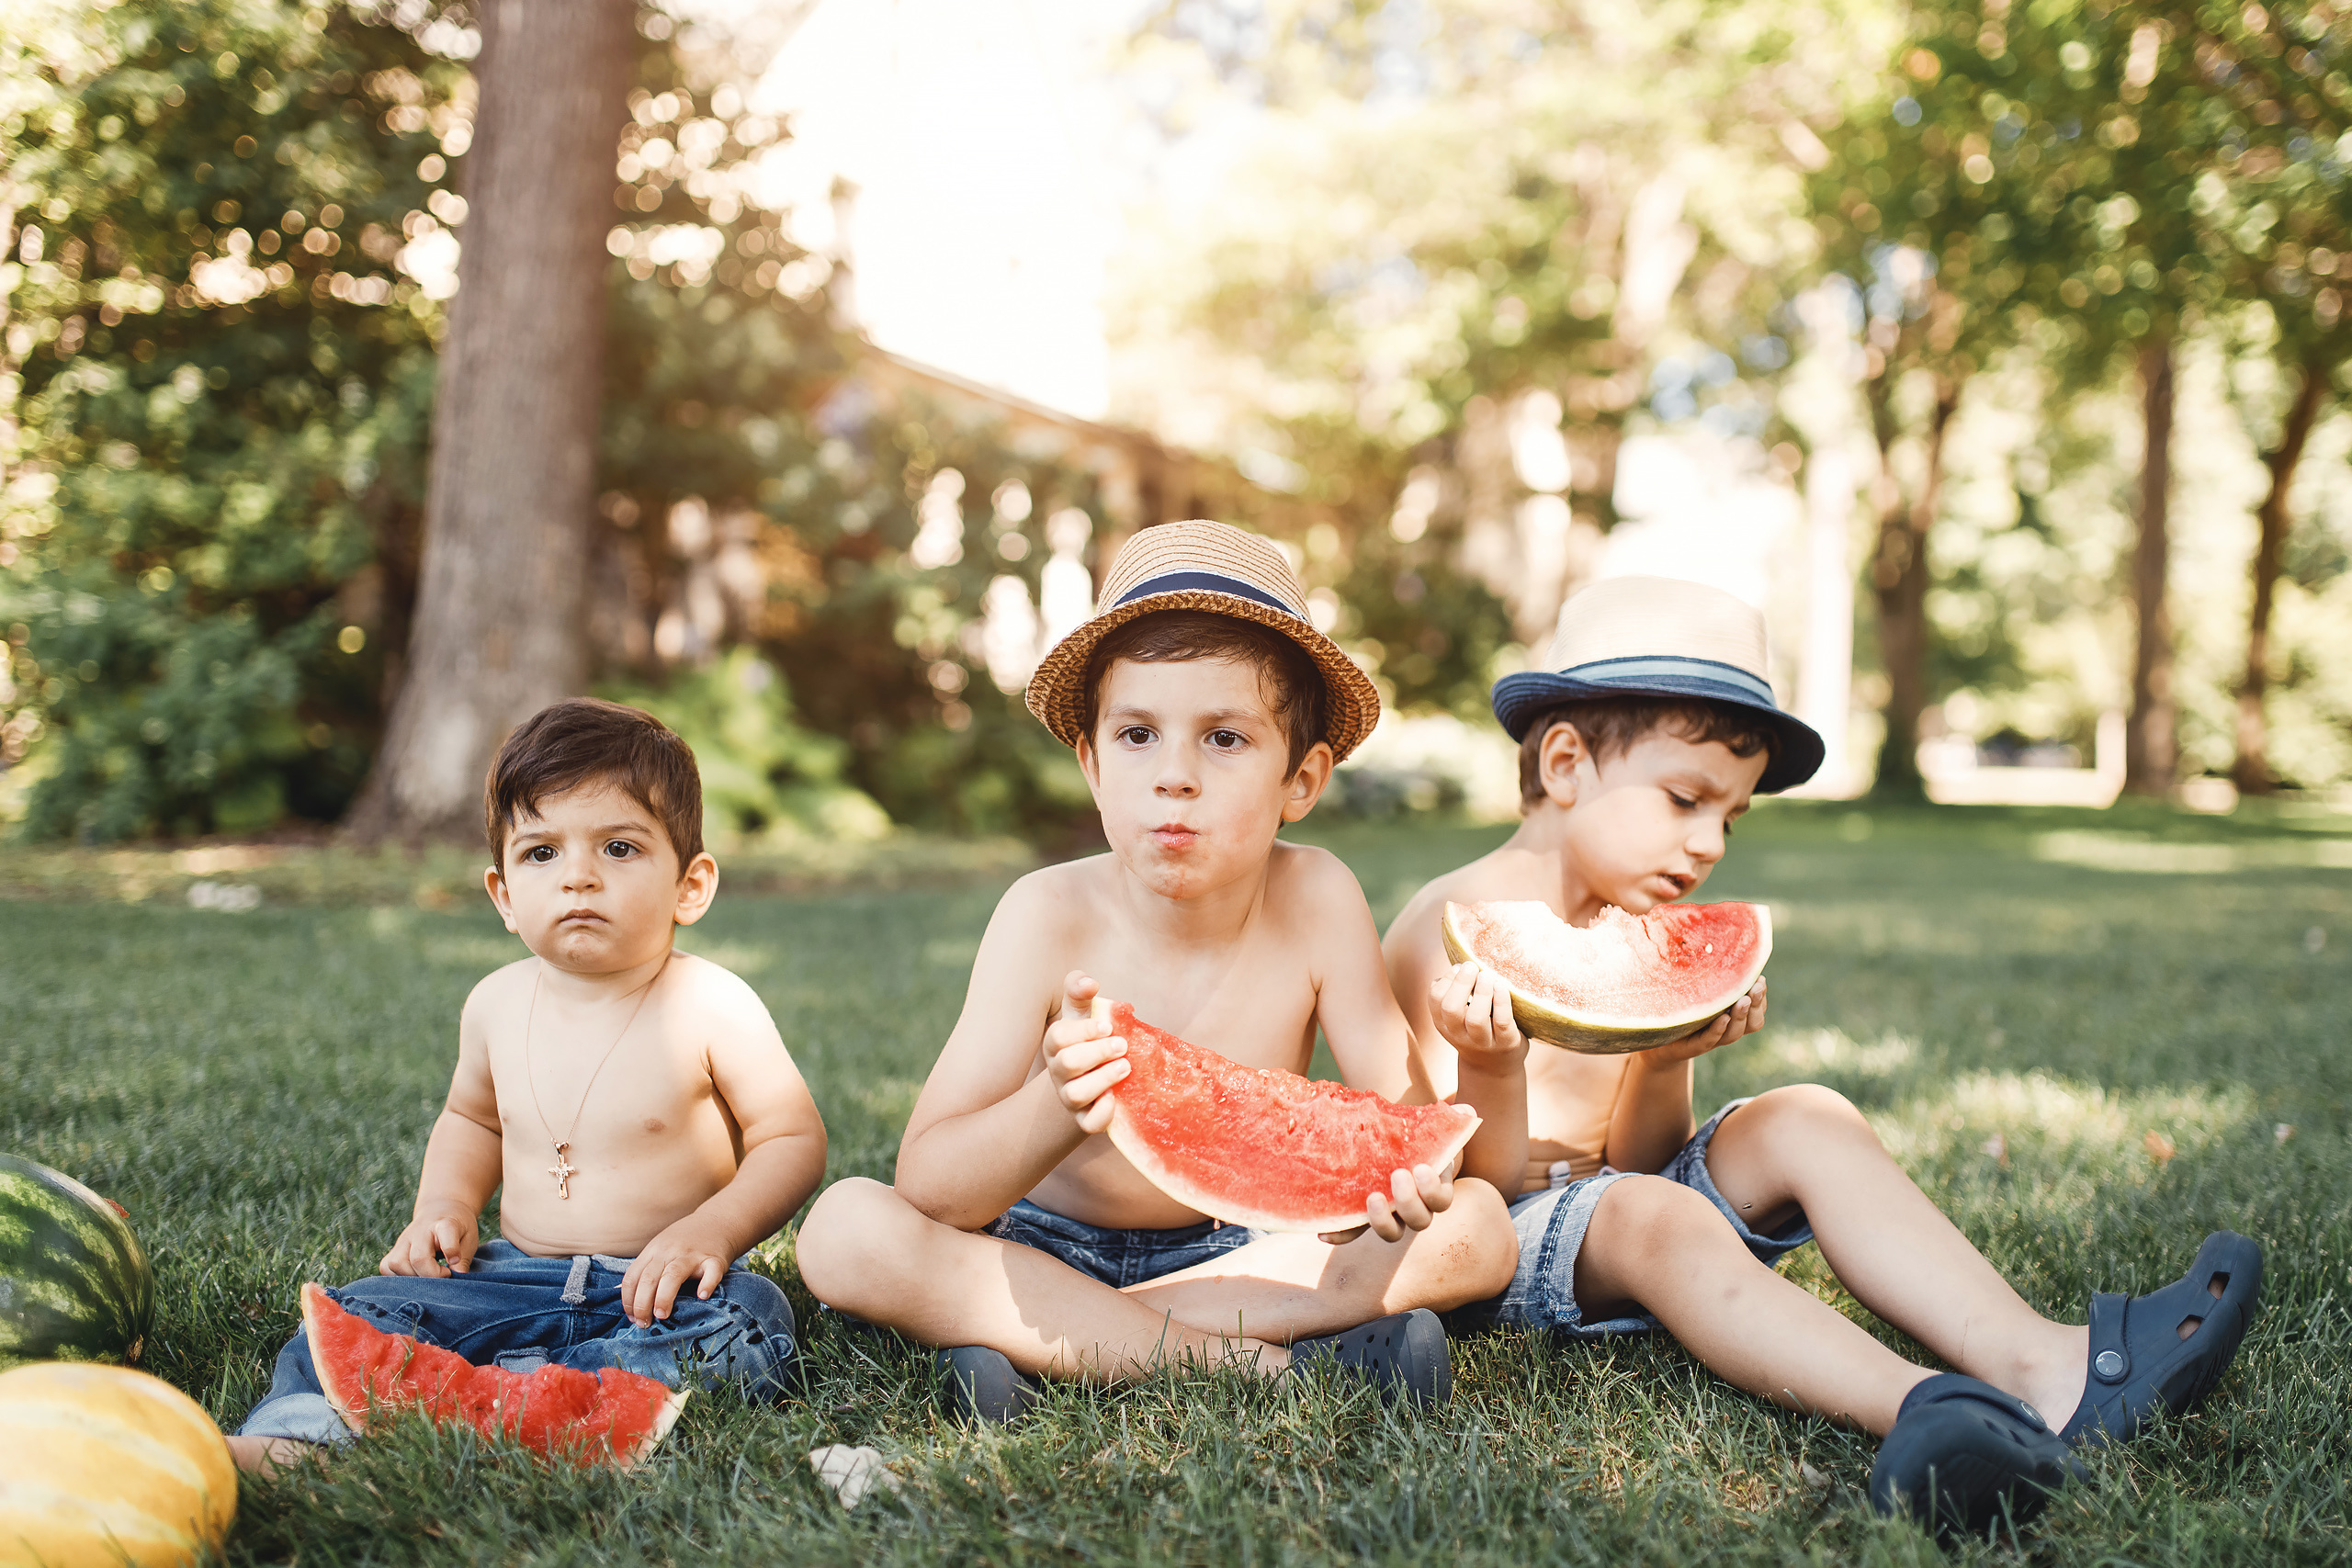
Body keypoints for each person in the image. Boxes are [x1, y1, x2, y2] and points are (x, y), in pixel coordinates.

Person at [1384, 575, 2263, 1540]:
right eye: (1684, 799)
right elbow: (1469, 1196)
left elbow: (1638, 1159)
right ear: (1565, 763)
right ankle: (1930, 1409)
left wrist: (1668, 1056)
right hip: (1499, 1246)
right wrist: (1493, 1064)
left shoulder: (1640, 927)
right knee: (1653, 1213)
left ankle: (2051, 1368)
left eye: (1730, 816)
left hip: (1624, 1208)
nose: (1709, 843)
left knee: (1808, 1112)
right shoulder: (1443, 931)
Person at [795, 521, 1519, 1420]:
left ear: (1301, 779)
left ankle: (1053, 1343)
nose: (1175, 775)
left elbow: (1410, 1130)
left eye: (1225, 739)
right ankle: (1257, 1364)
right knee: (845, 1228)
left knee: (1479, 1227)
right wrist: (1057, 1104)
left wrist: (1399, 1190)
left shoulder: (1319, 897)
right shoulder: (1044, 912)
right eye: (1138, 734)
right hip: (1039, 1244)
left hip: (1241, 1250)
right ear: (1093, 766)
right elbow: (931, 1188)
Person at [228, 699, 826, 1472]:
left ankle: (508, 1397)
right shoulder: (494, 1004)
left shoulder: (712, 1003)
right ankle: (296, 1440)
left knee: (748, 1321)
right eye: (541, 852)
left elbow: (791, 1137)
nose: (578, 875)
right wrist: (444, 1207)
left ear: (690, 885)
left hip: (659, 1291)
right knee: (354, 1310)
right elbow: (471, 1120)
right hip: (512, 1277)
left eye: (618, 847)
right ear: (505, 894)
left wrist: (711, 1231)